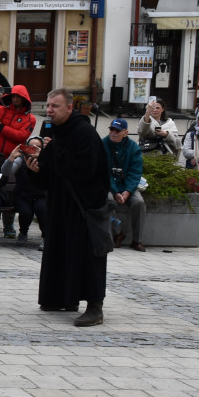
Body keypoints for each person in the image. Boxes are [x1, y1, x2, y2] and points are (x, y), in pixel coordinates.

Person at [26, 88, 110, 326]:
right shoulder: (58, 133)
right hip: (61, 205)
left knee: (87, 256)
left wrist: (54, 154)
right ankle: (61, 297)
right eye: (48, 106)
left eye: (55, 106)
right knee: (62, 251)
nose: (49, 110)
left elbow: (87, 170)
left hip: (84, 206)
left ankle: (95, 307)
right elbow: (49, 173)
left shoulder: (84, 132)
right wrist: (35, 169)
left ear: (69, 108)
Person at [101, 118, 146, 252]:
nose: (113, 133)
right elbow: (104, 172)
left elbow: (135, 172)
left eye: (117, 131)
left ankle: (137, 240)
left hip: (127, 185)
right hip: (109, 185)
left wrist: (127, 191)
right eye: (111, 129)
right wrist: (115, 191)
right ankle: (118, 233)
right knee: (107, 200)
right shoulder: (103, 144)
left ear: (125, 133)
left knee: (139, 202)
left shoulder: (133, 148)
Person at [2, 138, 48, 249]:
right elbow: (6, 172)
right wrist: (12, 156)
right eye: (31, 146)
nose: (34, 149)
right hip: (23, 195)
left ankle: (46, 236)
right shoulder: (21, 159)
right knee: (25, 211)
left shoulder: (47, 160)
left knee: (42, 209)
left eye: (38, 147)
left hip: (41, 195)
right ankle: (23, 233)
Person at [0, 83, 35, 157]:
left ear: (24, 98)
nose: (15, 99)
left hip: (14, 157)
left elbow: (21, 136)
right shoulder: (1, 109)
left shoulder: (31, 119)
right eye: (13, 96)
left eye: (18, 96)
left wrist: (1, 127)